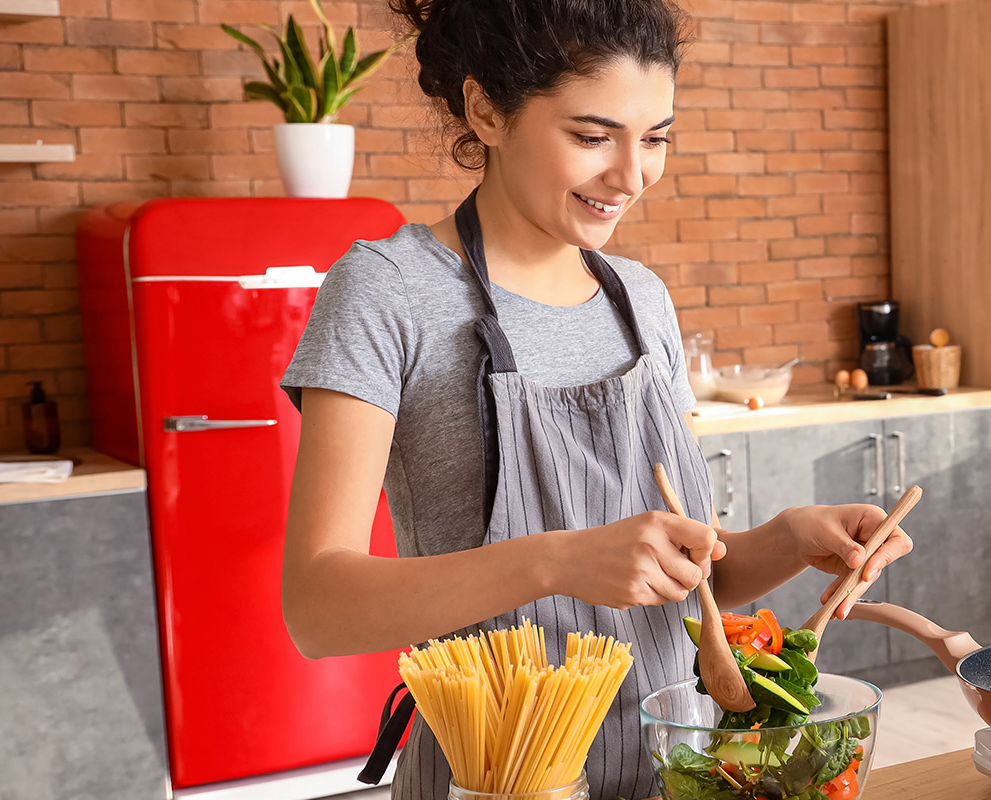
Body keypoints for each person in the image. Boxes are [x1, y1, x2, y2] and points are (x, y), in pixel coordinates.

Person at [276, 1, 913, 797]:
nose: (632, 174)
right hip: (495, 780)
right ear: (486, 110)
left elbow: (681, 575)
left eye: (655, 139)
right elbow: (317, 608)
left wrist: (787, 538)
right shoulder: (387, 291)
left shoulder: (641, 301)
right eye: (591, 136)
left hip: (681, 773)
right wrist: (557, 560)